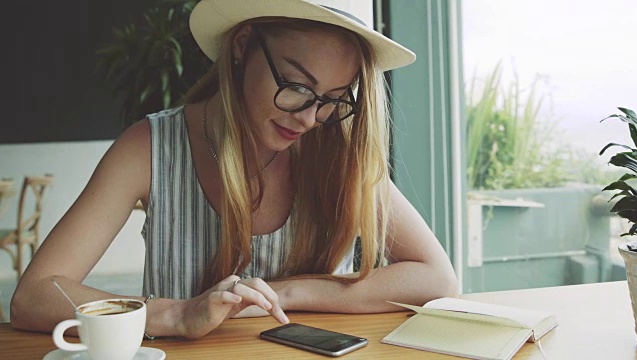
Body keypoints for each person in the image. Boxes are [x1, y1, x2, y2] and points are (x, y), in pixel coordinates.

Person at [11, 0, 457, 339]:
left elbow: (437, 278)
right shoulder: (149, 148)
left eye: (333, 99)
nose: (308, 117)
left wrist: (286, 292)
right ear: (243, 45)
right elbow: (34, 296)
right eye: (297, 85)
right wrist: (178, 313)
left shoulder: (338, 151)